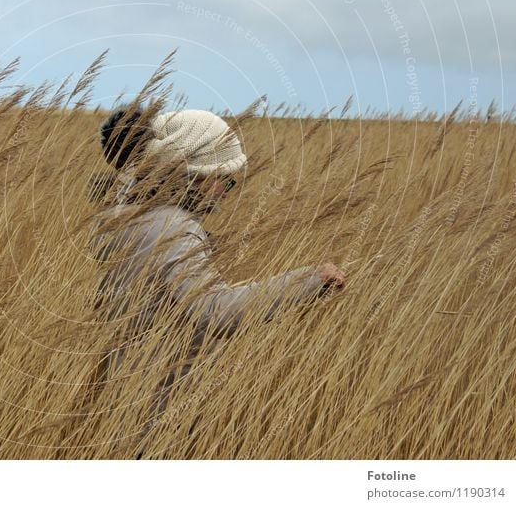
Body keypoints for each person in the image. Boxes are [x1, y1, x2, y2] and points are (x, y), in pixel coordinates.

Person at [86, 107, 345, 453]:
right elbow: (214, 311)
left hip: (121, 398)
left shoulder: (123, 215)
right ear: (188, 172)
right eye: (221, 176)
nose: (228, 187)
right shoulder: (176, 228)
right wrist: (309, 282)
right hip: (156, 411)